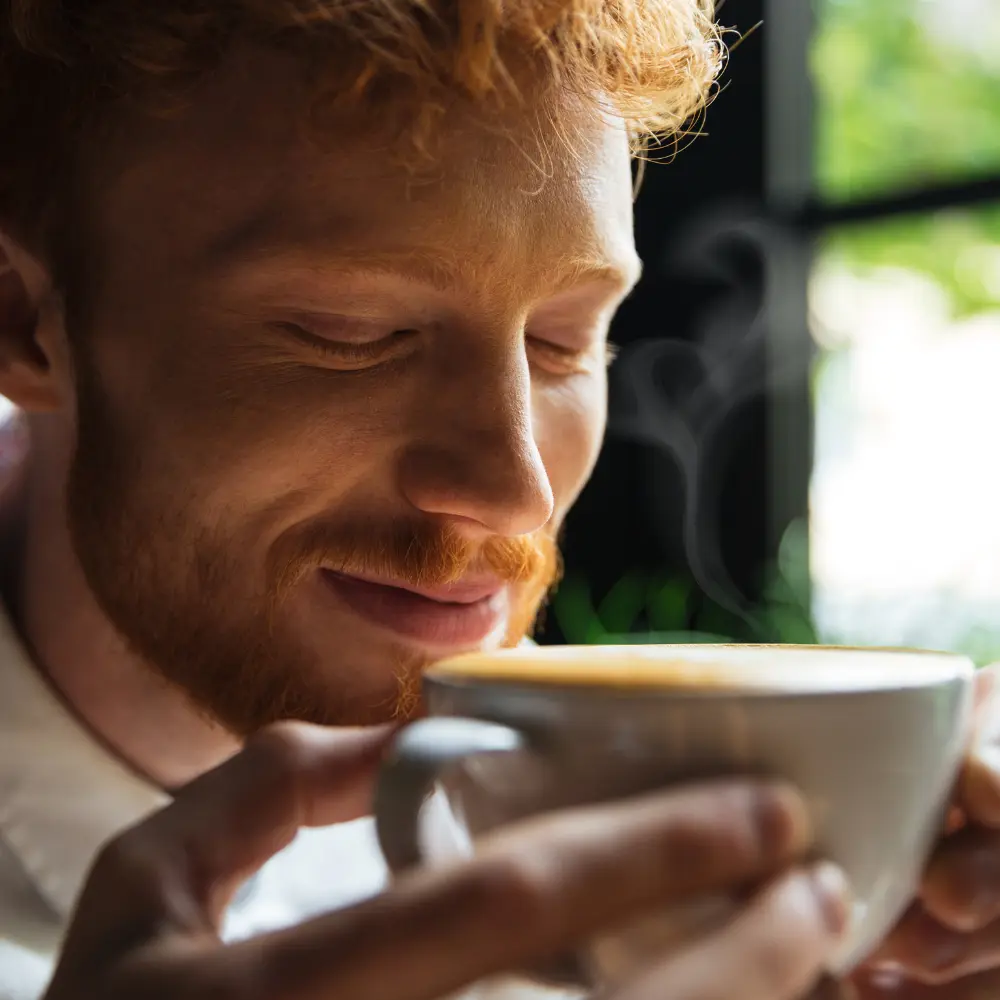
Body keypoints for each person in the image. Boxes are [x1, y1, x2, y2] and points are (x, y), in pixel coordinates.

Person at [0, 2, 998, 998]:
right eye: (354, 333)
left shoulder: (600, 847)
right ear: (24, 324)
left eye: (564, 340)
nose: (515, 492)